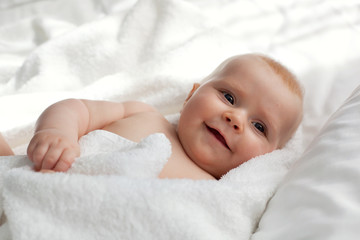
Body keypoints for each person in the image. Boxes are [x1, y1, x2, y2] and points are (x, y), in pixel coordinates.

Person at [0, 54, 303, 180]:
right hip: (37, 179)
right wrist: (58, 133)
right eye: (229, 97)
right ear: (190, 96)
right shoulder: (143, 113)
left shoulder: (222, 190)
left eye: (259, 126)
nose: (235, 118)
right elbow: (77, 108)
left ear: (268, 158)